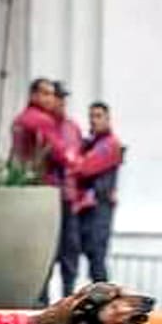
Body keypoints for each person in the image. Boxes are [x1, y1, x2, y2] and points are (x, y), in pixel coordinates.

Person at [72, 102, 124, 284]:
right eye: (91, 116)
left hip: (100, 206)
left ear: (108, 119)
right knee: (86, 252)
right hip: (87, 207)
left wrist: (76, 161)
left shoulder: (110, 144)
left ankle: (104, 300)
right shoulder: (92, 143)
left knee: (96, 256)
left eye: (98, 116)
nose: (94, 121)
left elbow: (84, 167)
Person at [51, 81, 85, 299]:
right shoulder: (43, 126)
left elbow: (81, 159)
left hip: (70, 198)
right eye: (57, 97)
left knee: (70, 249)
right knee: (45, 252)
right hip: (49, 197)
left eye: (63, 98)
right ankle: (40, 300)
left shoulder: (72, 128)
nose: (61, 102)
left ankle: (68, 296)